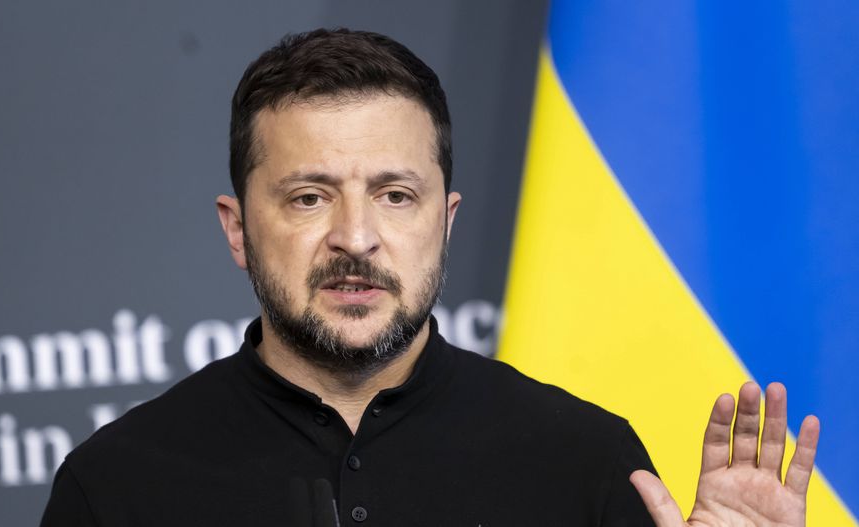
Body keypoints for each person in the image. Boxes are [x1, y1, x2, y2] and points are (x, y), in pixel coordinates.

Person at [40, 28, 819, 526]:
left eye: (395, 195)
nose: (356, 237)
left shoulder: (584, 458)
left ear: (444, 222)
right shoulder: (115, 486)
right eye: (309, 197)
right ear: (237, 229)